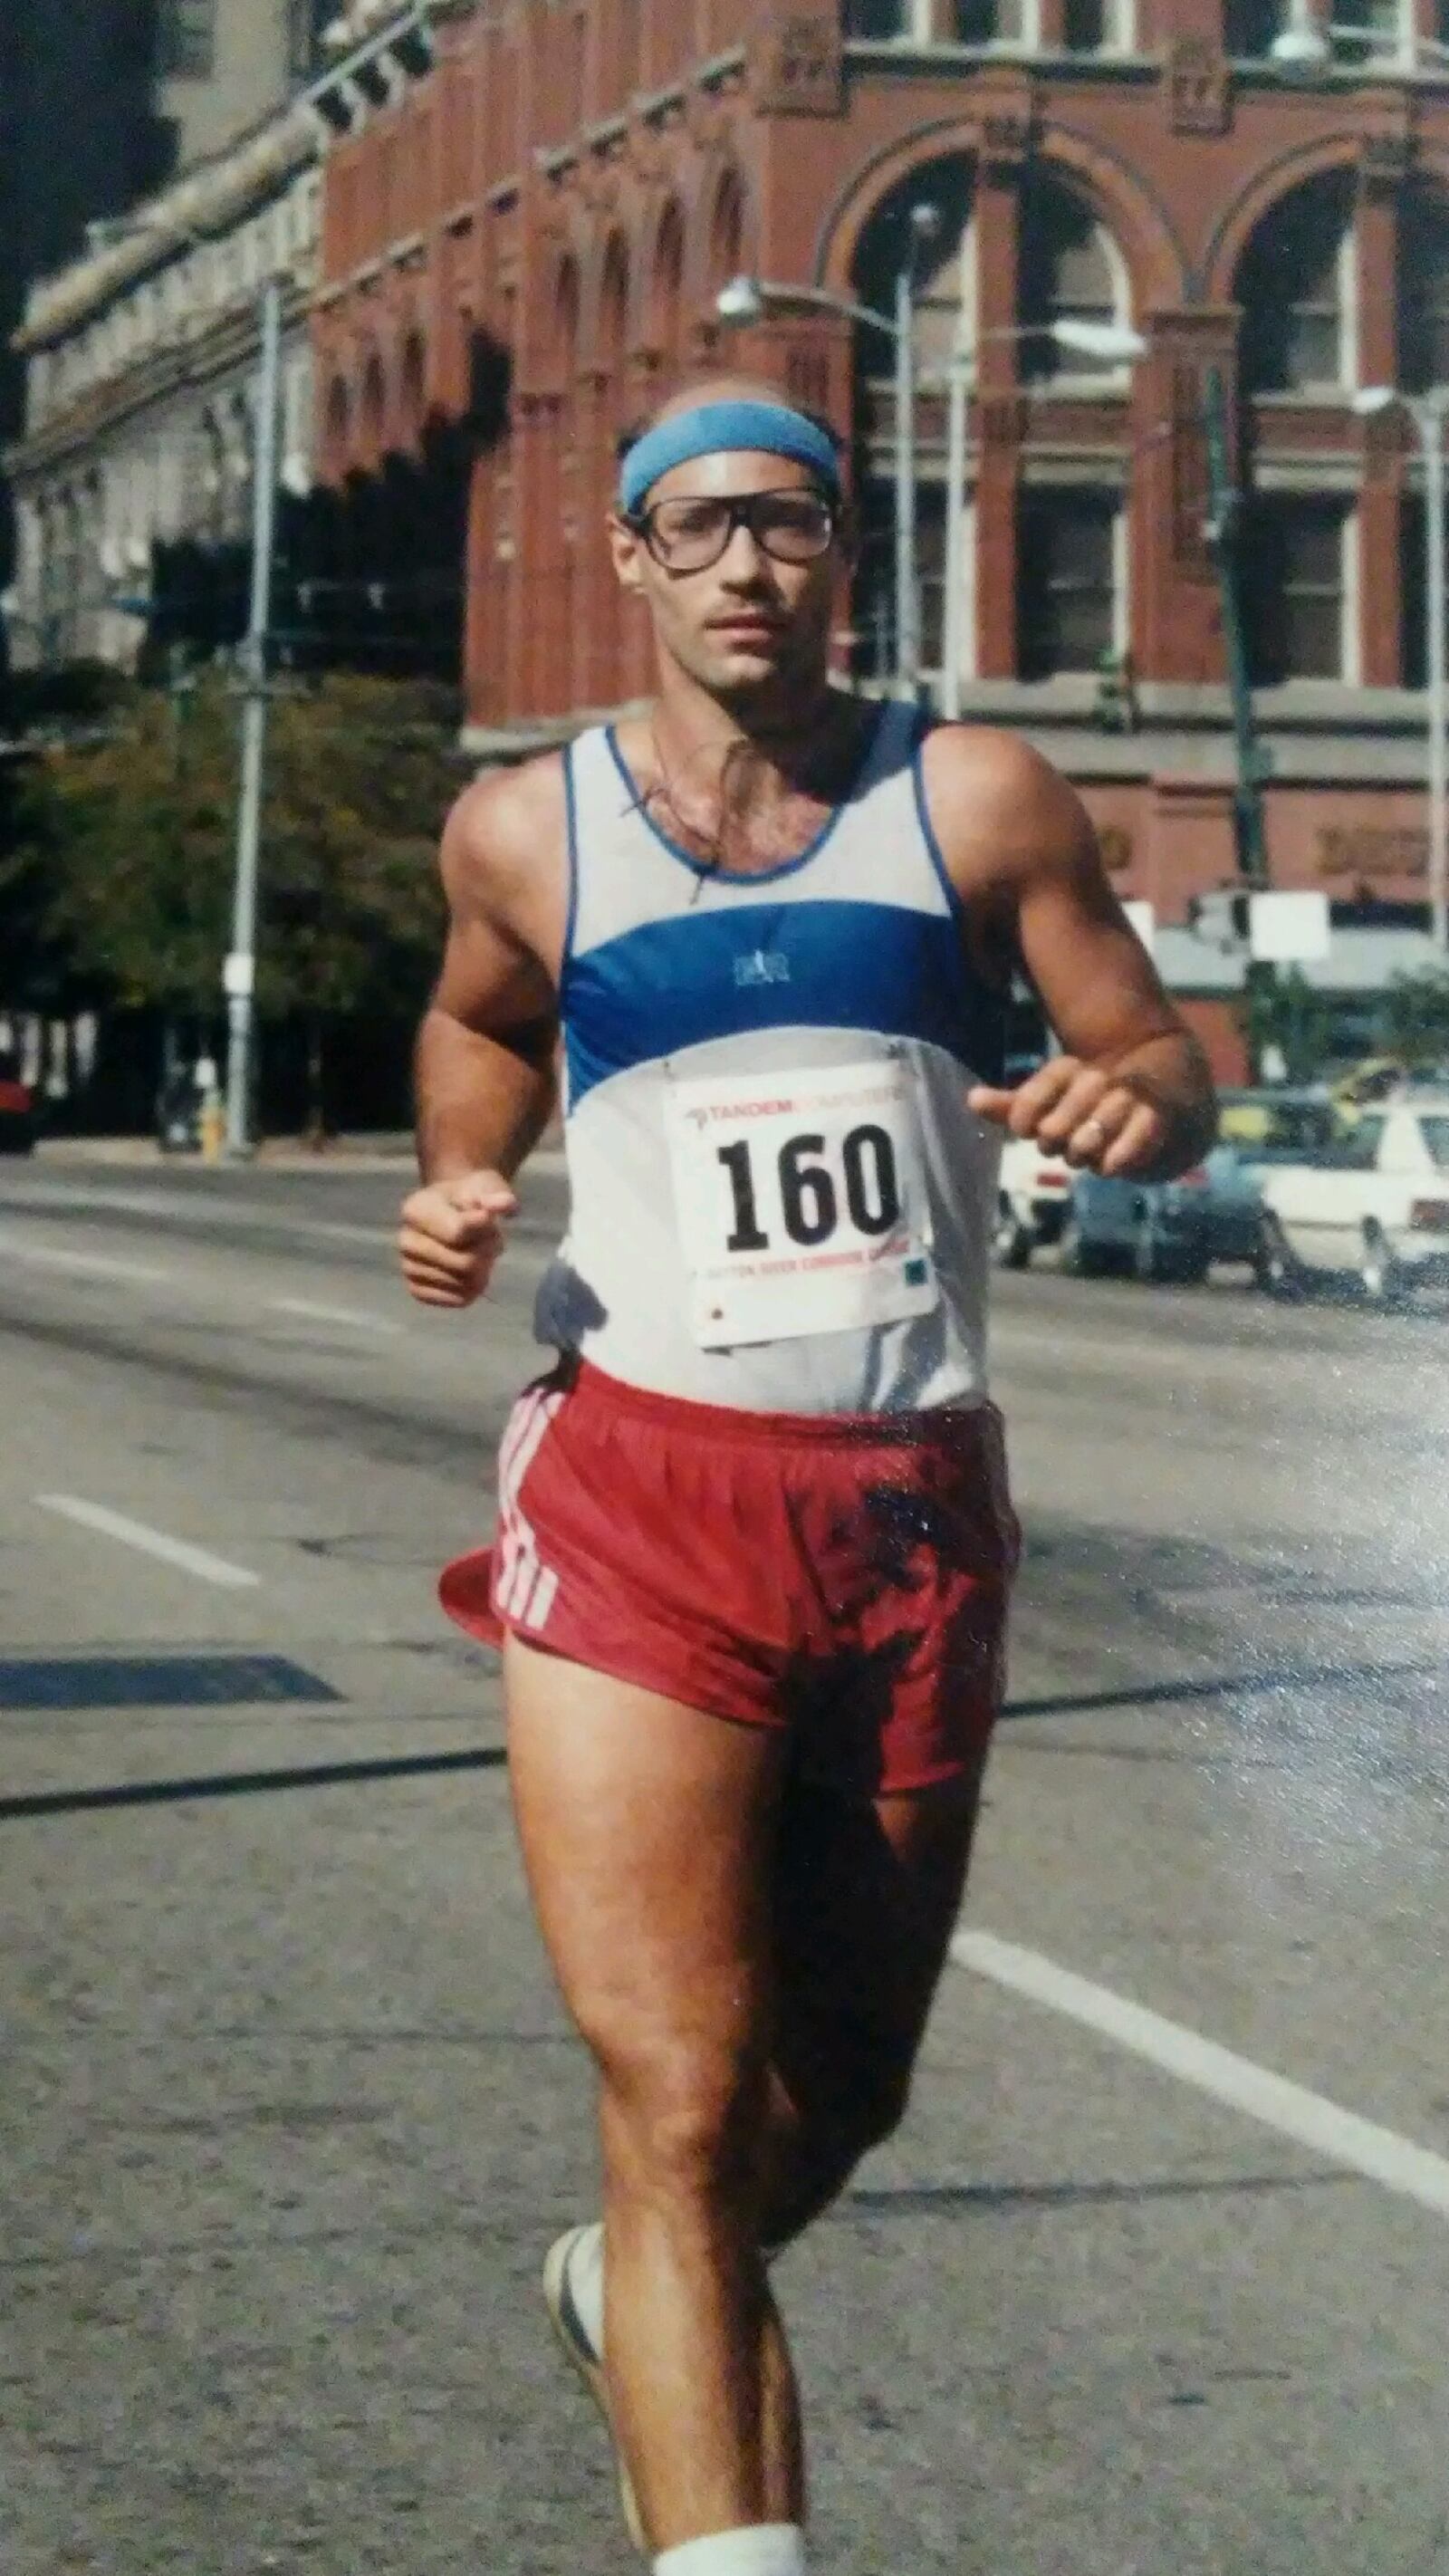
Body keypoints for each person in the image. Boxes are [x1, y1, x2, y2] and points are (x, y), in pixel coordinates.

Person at [398, 373, 1216, 2575]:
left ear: (839, 559)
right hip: (635, 1482)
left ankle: (630, 2287)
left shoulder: (966, 794)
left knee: (826, 2095)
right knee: (671, 2098)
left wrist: (1144, 1099)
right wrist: (464, 1177)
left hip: (904, 1502)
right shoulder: (527, 826)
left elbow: (1149, 1039)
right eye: (707, 528)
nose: (752, 564)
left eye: (794, 526)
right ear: (638, 560)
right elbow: (479, 1019)